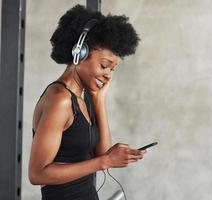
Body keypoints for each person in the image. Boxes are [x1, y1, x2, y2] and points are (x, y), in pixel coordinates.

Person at [28, 5, 146, 200]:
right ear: (79, 54)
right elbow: (37, 174)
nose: (107, 75)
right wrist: (105, 161)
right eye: (104, 65)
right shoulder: (60, 100)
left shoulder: (84, 97)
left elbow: (102, 152)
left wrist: (99, 100)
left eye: (112, 69)